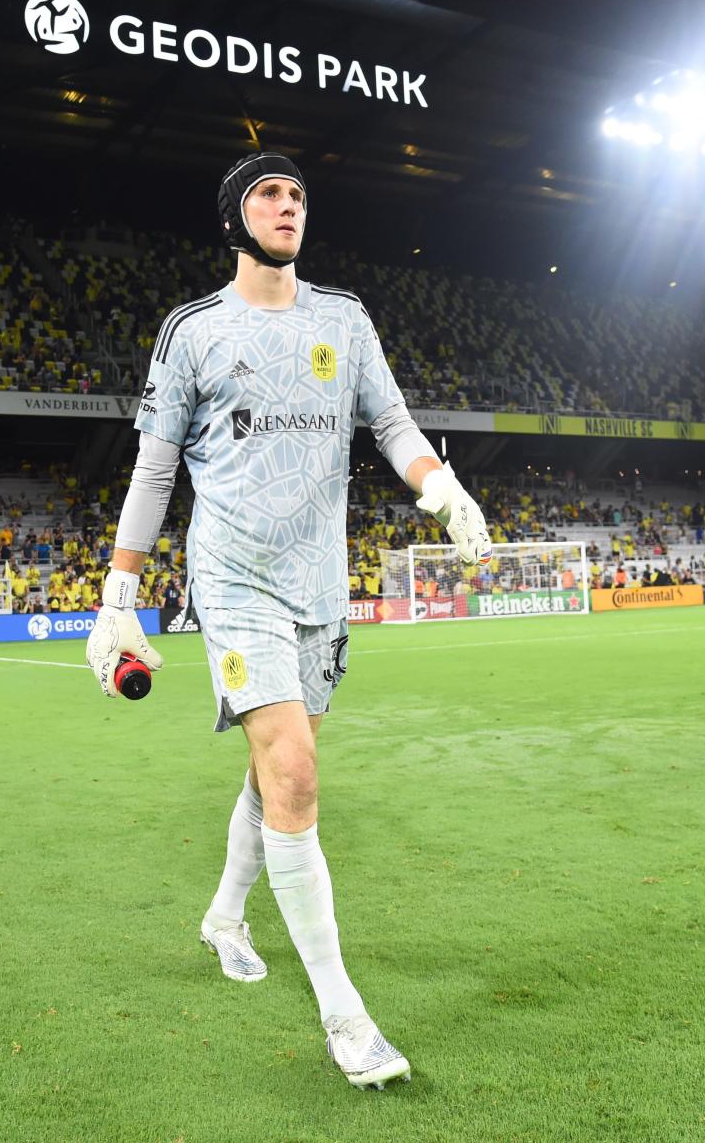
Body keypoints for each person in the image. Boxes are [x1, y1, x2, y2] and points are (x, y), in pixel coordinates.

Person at [85, 152, 492, 1091]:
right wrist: (119, 589)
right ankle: (346, 1018)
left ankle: (225, 914)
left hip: (319, 585)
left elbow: (391, 423)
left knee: (273, 764)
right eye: (269, 193)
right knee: (297, 772)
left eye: (298, 194)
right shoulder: (192, 332)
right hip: (231, 578)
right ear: (234, 216)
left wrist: (444, 489)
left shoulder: (342, 321)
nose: (288, 205)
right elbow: (153, 470)